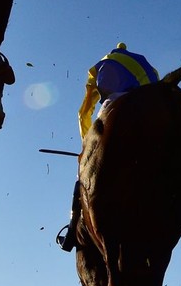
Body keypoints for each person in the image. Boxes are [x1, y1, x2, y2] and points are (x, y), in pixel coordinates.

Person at [57, 43, 160, 251]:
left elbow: (86, 107)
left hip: (112, 104)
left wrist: (86, 142)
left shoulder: (102, 65)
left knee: (82, 175)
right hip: (147, 114)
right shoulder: (147, 66)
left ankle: (71, 229)